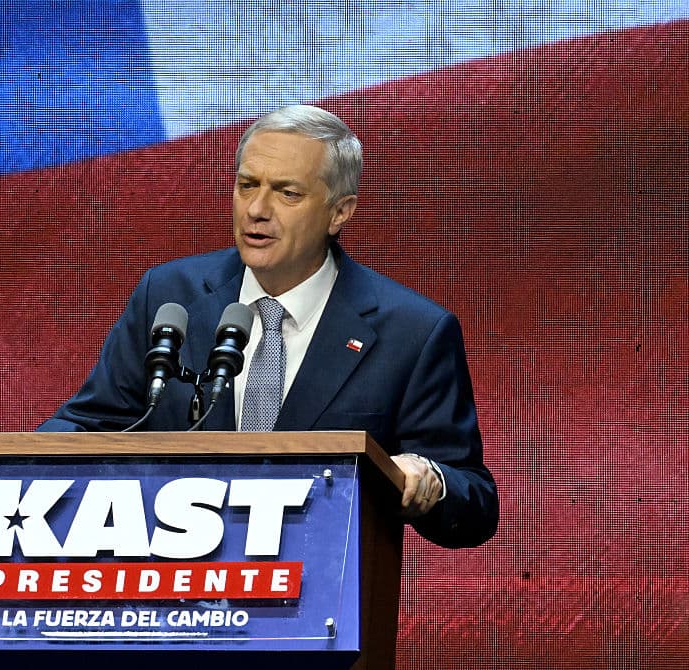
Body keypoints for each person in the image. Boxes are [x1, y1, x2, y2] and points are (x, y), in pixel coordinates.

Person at [39, 105, 498, 549]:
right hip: (170, 593)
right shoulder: (170, 295)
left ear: (340, 212)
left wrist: (429, 481)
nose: (257, 209)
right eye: (246, 186)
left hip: (315, 602)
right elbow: (91, 424)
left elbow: (473, 501)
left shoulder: (412, 332)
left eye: (287, 193)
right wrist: (8, 460)